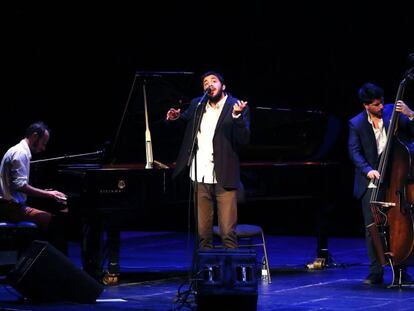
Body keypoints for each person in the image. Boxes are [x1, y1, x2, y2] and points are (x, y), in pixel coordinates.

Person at [166, 71, 250, 249]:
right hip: (200, 174)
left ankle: (230, 275)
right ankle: (207, 274)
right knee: (203, 234)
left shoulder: (236, 106)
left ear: (223, 86)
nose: (209, 84)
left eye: (214, 81)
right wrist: (175, 118)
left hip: (224, 176)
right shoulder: (198, 104)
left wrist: (237, 117)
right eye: (205, 82)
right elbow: (183, 121)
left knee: (227, 233)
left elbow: (244, 140)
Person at [348, 82, 414, 285]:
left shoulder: (392, 113)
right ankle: (376, 271)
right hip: (371, 180)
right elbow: (354, 151)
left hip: (394, 178)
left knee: (398, 225)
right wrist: (368, 170)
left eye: (381, 102)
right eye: (376, 105)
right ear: (366, 105)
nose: (381, 107)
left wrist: (411, 114)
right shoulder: (356, 123)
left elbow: (412, 131)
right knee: (372, 227)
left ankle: (401, 269)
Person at [0, 121, 68, 253]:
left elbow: (16, 185)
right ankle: (55, 268)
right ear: (35, 136)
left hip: (10, 205)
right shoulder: (21, 153)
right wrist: (49, 194)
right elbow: (20, 186)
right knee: (55, 223)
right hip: (10, 209)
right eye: (43, 143)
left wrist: (46, 192)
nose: (43, 148)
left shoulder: (17, 150)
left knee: (47, 220)